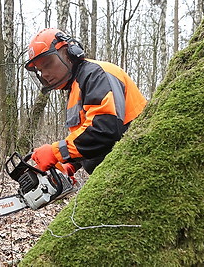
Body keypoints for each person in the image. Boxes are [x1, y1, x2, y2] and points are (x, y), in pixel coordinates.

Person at [25, 28, 147, 176]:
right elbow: (86, 135)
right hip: (114, 170)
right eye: (40, 69)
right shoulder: (76, 87)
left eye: (48, 64)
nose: (45, 73)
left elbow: (104, 131)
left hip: (137, 162)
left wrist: (56, 152)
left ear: (68, 53)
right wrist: (71, 165)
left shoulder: (96, 74)